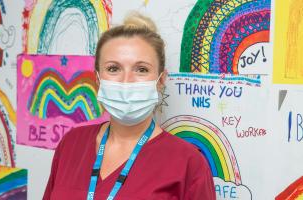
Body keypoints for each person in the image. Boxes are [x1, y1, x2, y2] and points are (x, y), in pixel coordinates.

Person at [43, 12, 216, 200]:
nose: (127, 81)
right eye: (113, 68)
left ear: (160, 80)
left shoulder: (188, 162)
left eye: (141, 69)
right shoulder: (71, 144)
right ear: (98, 79)